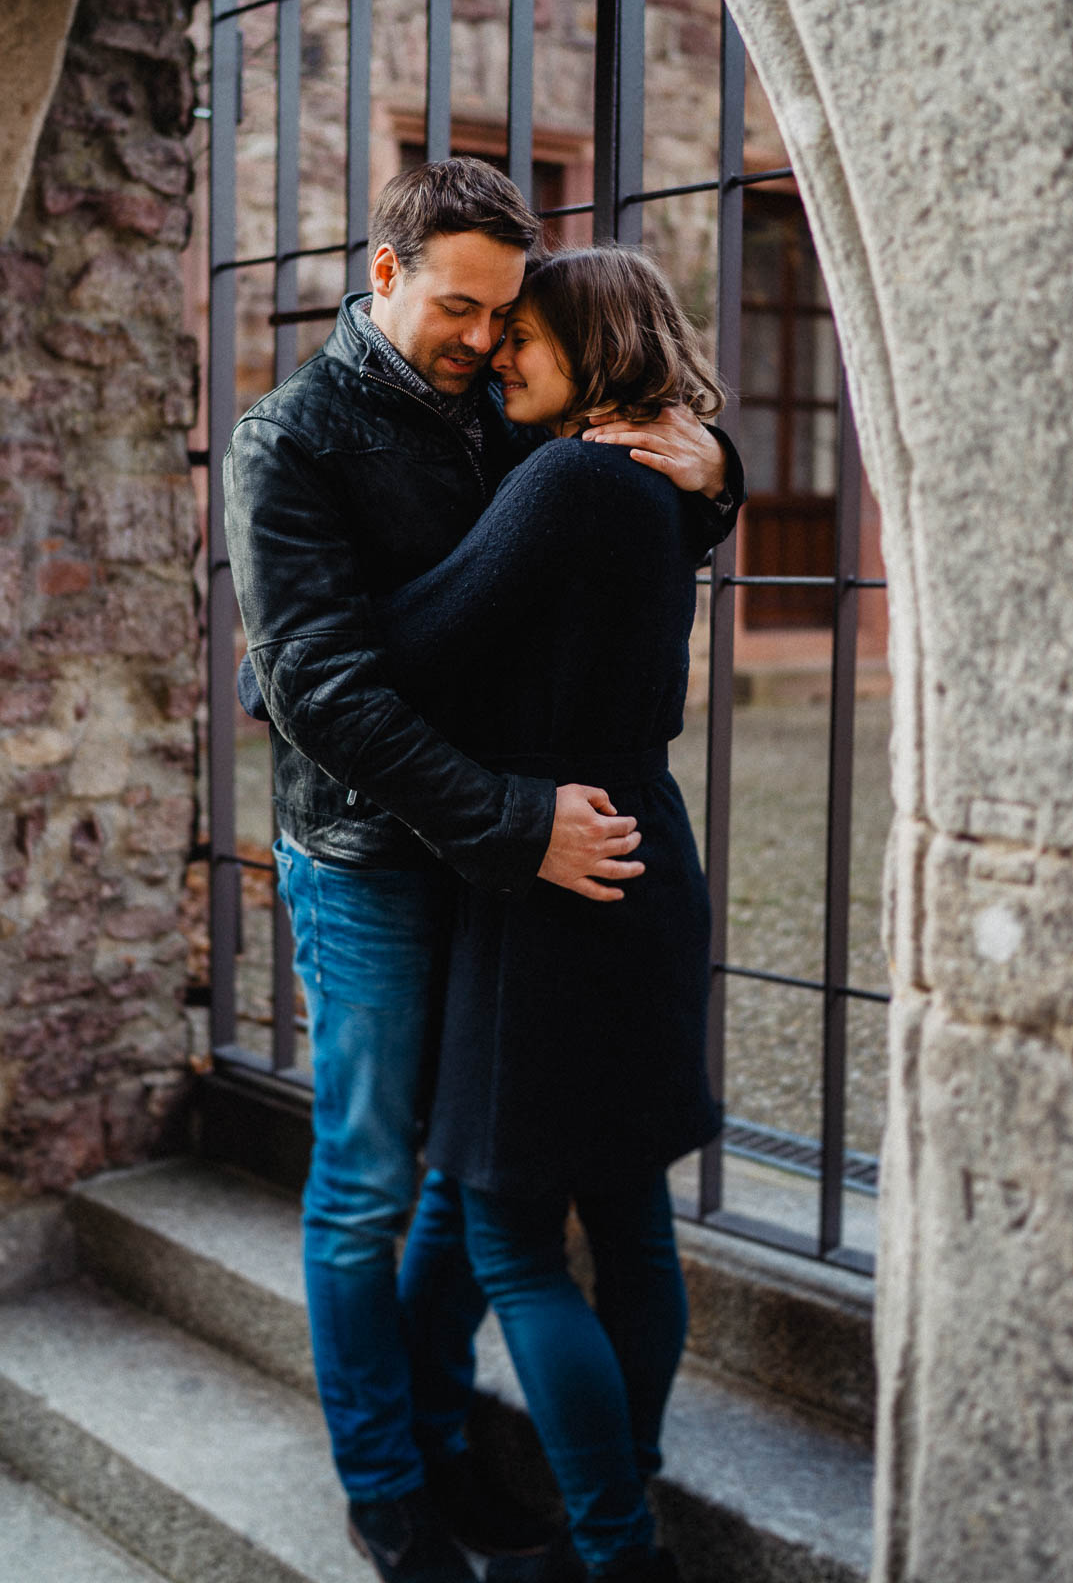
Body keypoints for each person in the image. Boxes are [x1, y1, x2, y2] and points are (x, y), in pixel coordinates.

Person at [224, 161, 741, 1583]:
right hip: (383, 859)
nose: (484, 339)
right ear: (380, 274)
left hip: (511, 863)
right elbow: (326, 688)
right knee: (373, 1187)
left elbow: (609, 490)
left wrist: (717, 469)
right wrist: (516, 820)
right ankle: (387, 1485)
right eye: (463, 308)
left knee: (477, 1187)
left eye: (509, 316)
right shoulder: (291, 440)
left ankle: (451, 1439)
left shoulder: (502, 410)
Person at [377, 245, 734, 1583]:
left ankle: (614, 1544)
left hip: (554, 886)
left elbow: (412, 641)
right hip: (640, 863)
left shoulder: (575, 480)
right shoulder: (650, 485)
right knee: (630, 1221)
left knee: (515, 1240)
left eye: (525, 335)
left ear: (595, 350)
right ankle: (620, 1486)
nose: (498, 353)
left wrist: (287, 646)